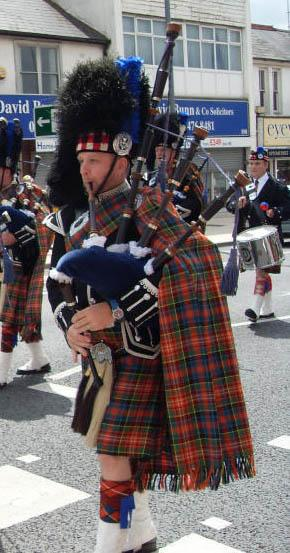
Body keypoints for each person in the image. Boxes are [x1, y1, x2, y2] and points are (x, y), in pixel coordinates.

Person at [45, 57, 255, 553]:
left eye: (92, 162)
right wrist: (70, 327)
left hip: (140, 357)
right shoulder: (76, 218)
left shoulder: (154, 209)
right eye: (79, 162)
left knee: (112, 458)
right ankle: (141, 537)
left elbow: (192, 271)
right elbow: (57, 281)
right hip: (99, 362)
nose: (85, 171)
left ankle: (109, 544)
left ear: (122, 157)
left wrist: (114, 312)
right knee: (116, 459)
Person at [0, 117, 52, 388]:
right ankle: (40, 358)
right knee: (19, 319)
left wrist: (14, 238)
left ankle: (1, 372)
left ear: (8, 169)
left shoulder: (26, 194)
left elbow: (47, 227)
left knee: (9, 319)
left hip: (20, 268)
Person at [237, 146, 290, 322]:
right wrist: (239, 204)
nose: (253, 167)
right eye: (251, 163)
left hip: (269, 238)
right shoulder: (246, 186)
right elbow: (231, 205)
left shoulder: (277, 187)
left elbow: (288, 207)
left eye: (257, 163)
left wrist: (276, 212)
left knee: (261, 272)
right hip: (251, 235)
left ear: (265, 164)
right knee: (262, 272)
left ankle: (255, 307)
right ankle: (268, 308)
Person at [148, 111, 205, 223]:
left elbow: (196, 205)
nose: (159, 154)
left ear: (174, 152)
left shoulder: (188, 172)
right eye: (157, 150)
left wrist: (164, 214)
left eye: (163, 149)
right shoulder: (152, 178)